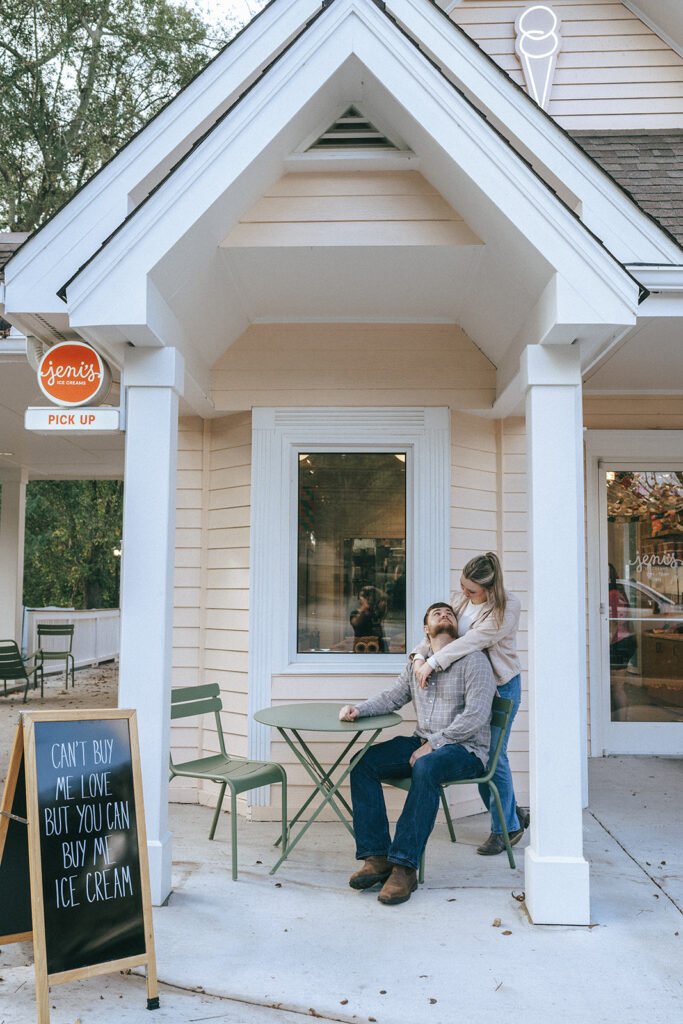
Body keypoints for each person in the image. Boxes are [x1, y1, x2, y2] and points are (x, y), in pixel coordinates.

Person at [339, 602, 497, 905]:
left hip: (466, 750)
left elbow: (475, 716)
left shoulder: (474, 661)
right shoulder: (417, 664)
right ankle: (377, 857)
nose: (444, 615)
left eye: (449, 613)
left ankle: (404, 867)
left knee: (426, 766)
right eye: (436, 613)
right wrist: (359, 709)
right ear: (427, 629)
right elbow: (393, 696)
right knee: (363, 763)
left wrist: (434, 743)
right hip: (423, 742)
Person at [411, 552, 527, 856]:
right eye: (463, 585)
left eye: (471, 590)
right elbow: (442, 633)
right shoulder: (462, 599)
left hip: (501, 688)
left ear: (489, 589)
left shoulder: (507, 608)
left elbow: (470, 642)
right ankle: (511, 812)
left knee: (491, 756)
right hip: (469, 687)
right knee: (479, 753)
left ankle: (506, 828)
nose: (464, 593)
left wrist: (433, 662)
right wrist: (419, 655)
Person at [350, 585, 387, 652]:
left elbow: (385, 597)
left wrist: (375, 589)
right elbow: (356, 623)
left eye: (369, 597)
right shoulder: (355, 613)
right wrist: (364, 607)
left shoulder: (375, 612)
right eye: (364, 597)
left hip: (377, 647)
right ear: (359, 600)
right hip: (361, 647)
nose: (368, 599)